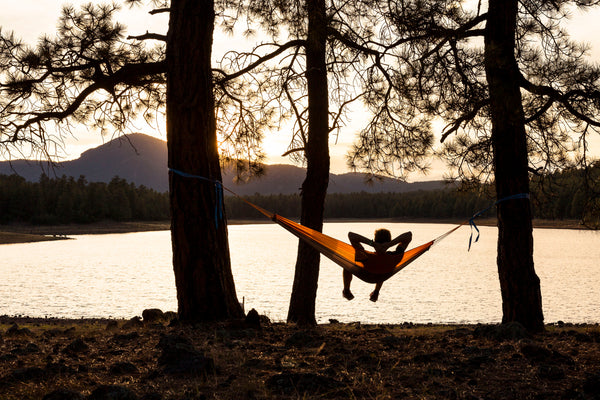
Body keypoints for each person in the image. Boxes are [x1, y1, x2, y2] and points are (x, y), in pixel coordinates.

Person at [343, 229, 412, 302]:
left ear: (375, 240)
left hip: (365, 275)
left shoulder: (365, 255)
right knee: (384, 269)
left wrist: (372, 243)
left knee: (347, 265)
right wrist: (389, 244)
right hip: (381, 276)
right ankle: (376, 292)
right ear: (389, 240)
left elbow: (351, 235)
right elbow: (408, 235)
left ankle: (346, 290)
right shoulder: (395, 256)